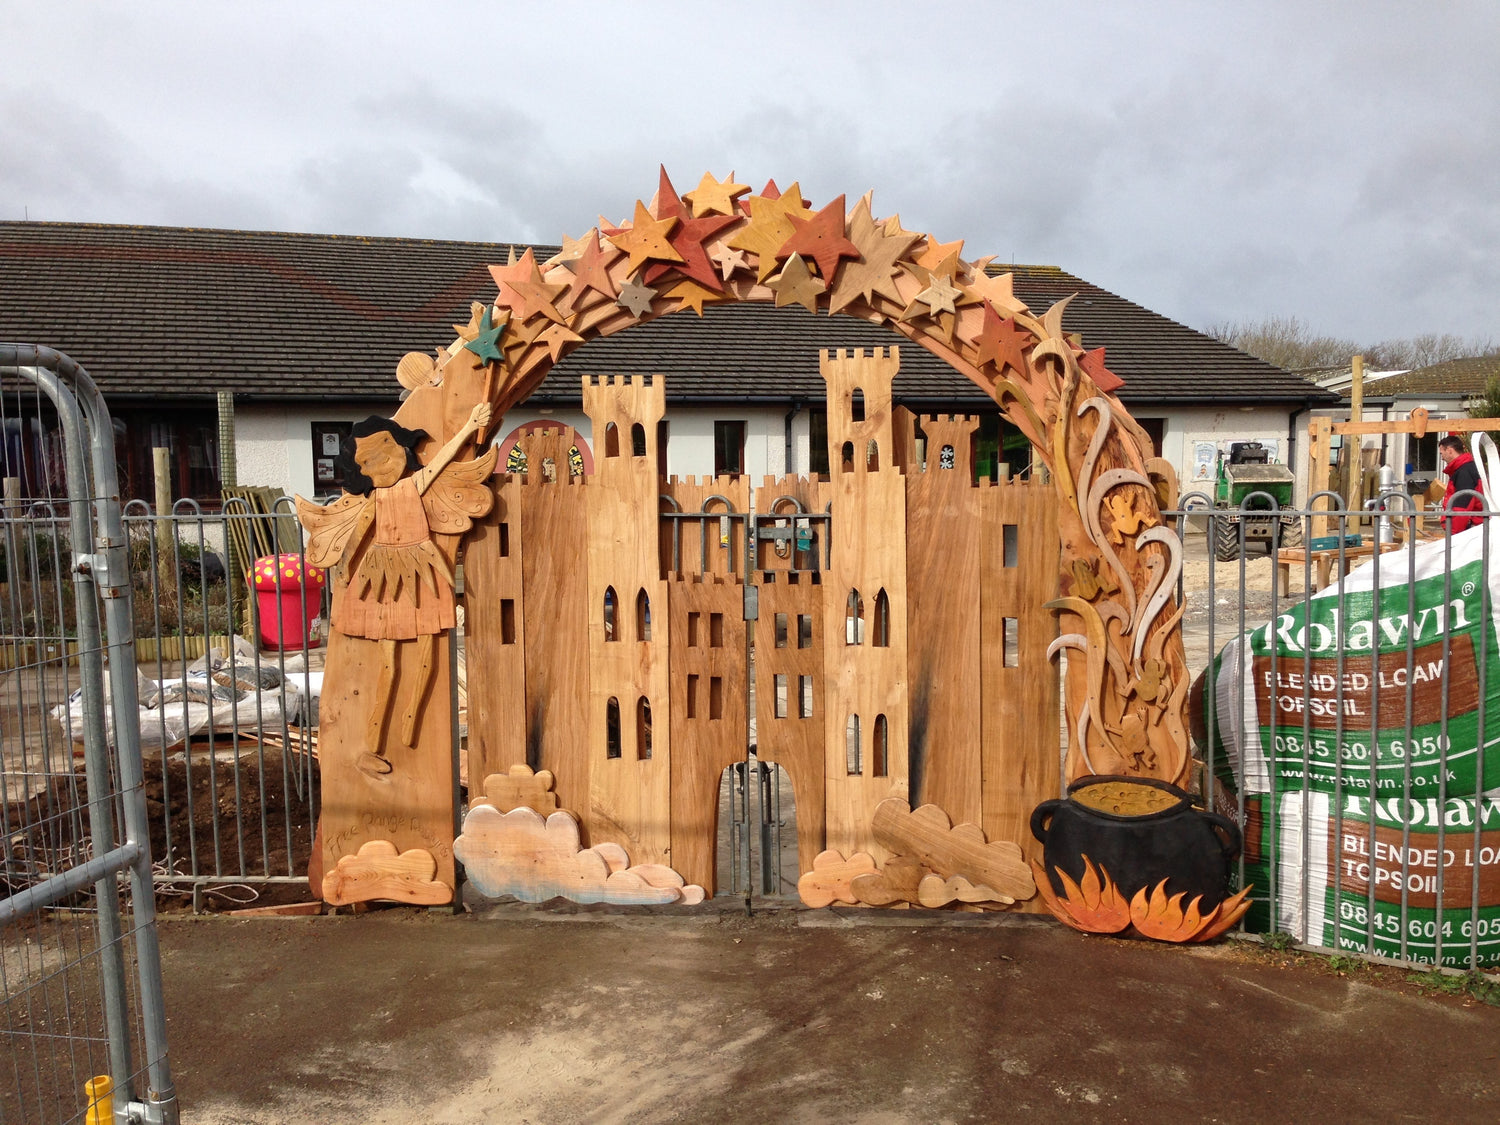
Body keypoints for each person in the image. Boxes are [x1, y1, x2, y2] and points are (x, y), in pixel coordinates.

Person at [297, 402, 496, 771]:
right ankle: (376, 733)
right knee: (388, 658)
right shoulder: (377, 498)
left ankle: (411, 722)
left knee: (428, 647)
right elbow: (358, 533)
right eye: (369, 461)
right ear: (361, 470)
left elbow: (440, 462)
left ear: (402, 449)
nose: (383, 464)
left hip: (421, 567)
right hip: (383, 574)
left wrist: (470, 426)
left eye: (387, 451)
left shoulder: (413, 485)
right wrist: (345, 569)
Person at [1438, 434, 1484, 533]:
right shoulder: (1467, 468)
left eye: (1442, 453)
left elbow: (1462, 507)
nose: (1442, 458)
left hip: (1470, 528)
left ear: (1449, 450)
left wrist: (1453, 533)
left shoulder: (1464, 472)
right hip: (1474, 525)